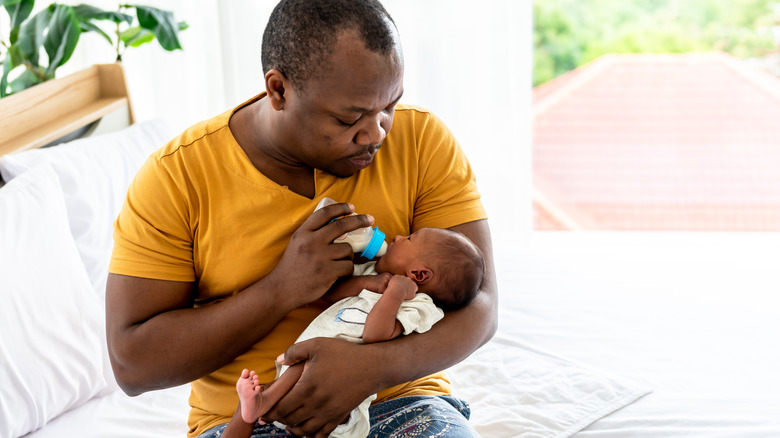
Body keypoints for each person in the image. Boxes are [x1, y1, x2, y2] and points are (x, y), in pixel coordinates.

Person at [105, 0, 498, 437]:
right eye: (350, 117)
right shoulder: (177, 178)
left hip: (400, 400)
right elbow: (132, 365)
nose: (378, 133)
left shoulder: (423, 139)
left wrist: (370, 369)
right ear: (279, 90)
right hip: (248, 421)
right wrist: (281, 289)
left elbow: (482, 306)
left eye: (389, 105)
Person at [222, 227, 485, 438]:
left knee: (295, 376)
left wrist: (394, 294)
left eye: (408, 238)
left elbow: (375, 335)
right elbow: (329, 294)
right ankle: (250, 412)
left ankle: (261, 403)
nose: (396, 236)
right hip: (309, 362)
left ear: (419, 274)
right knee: (257, 401)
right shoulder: (374, 271)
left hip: (342, 399)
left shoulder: (420, 305)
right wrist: (366, 282)